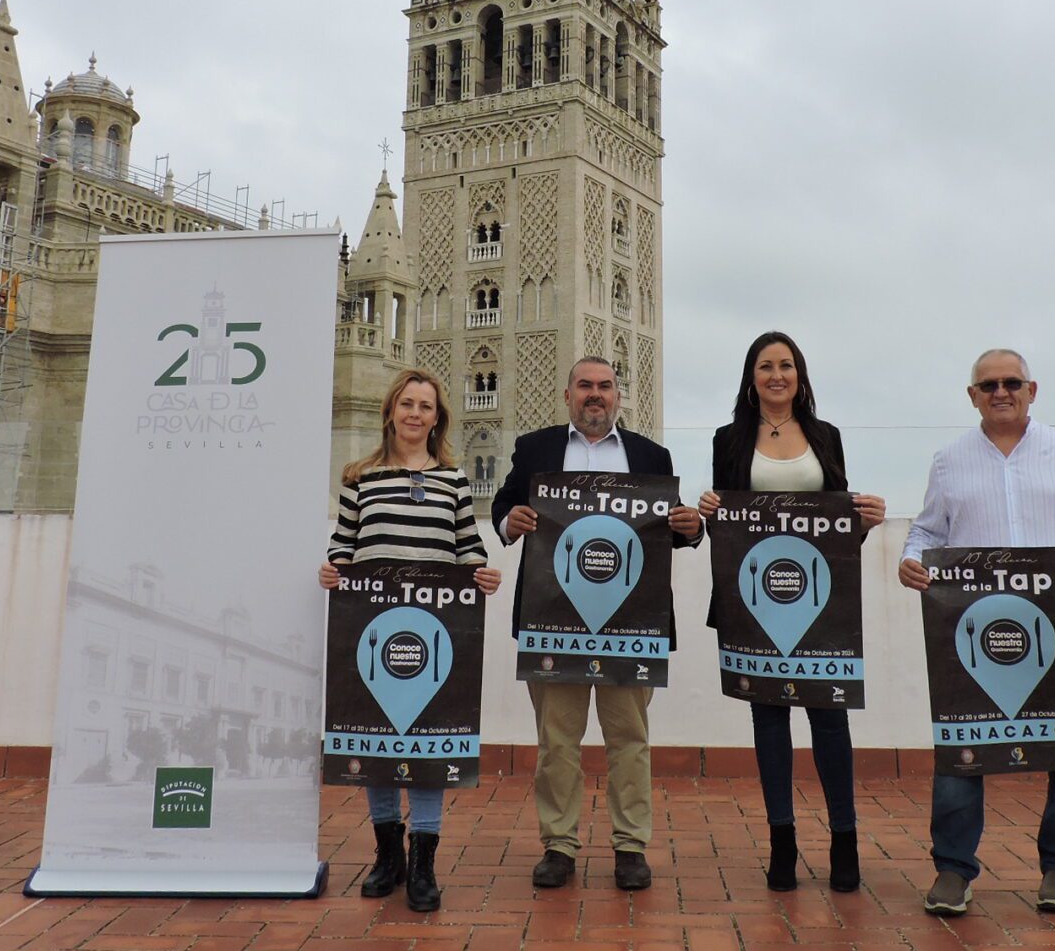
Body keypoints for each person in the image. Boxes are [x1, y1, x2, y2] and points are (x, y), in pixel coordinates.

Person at [896, 348, 1055, 917]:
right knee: (961, 755)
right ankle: (953, 871)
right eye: (988, 384)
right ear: (971, 396)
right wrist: (912, 560)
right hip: (973, 640)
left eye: (1011, 382)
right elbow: (926, 530)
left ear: (1032, 389)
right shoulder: (949, 461)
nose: (1001, 391)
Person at [491, 356, 703, 891]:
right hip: (552, 621)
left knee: (628, 739)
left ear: (617, 396)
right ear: (567, 395)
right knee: (556, 741)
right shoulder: (535, 449)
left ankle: (631, 848)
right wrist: (507, 521)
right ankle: (558, 847)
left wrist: (692, 526)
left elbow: (671, 527)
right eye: (585, 386)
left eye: (605, 386)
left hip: (632, 624)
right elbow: (505, 502)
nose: (595, 395)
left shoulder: (651, 455)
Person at [698, 331, 886, 893]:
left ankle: (844, 842)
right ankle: (783, 843)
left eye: (785, 365)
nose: (775, 375)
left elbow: (838, 527)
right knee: (769, 720)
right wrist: (710, 509)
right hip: (755, 601)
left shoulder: (826, 436)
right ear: (750, 378)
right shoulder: (728, 438)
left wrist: (865, 520)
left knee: (831, 720)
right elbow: (725, 528)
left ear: (799, 375)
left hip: (821, 601)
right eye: (764, 366)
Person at [319, 368, 501, 913]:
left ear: (437, 417)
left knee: (428, 743)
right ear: (391, 412)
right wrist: (332, 571)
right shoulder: (360, 477)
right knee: (376, 739)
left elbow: (468, 547)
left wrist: (482, 574)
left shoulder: (454, 480)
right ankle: (386, 856)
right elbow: (342, 546)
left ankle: (423, 864)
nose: (415, 413)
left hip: (436, 628)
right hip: (373, 629)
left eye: (425, 405)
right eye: (407, 404)